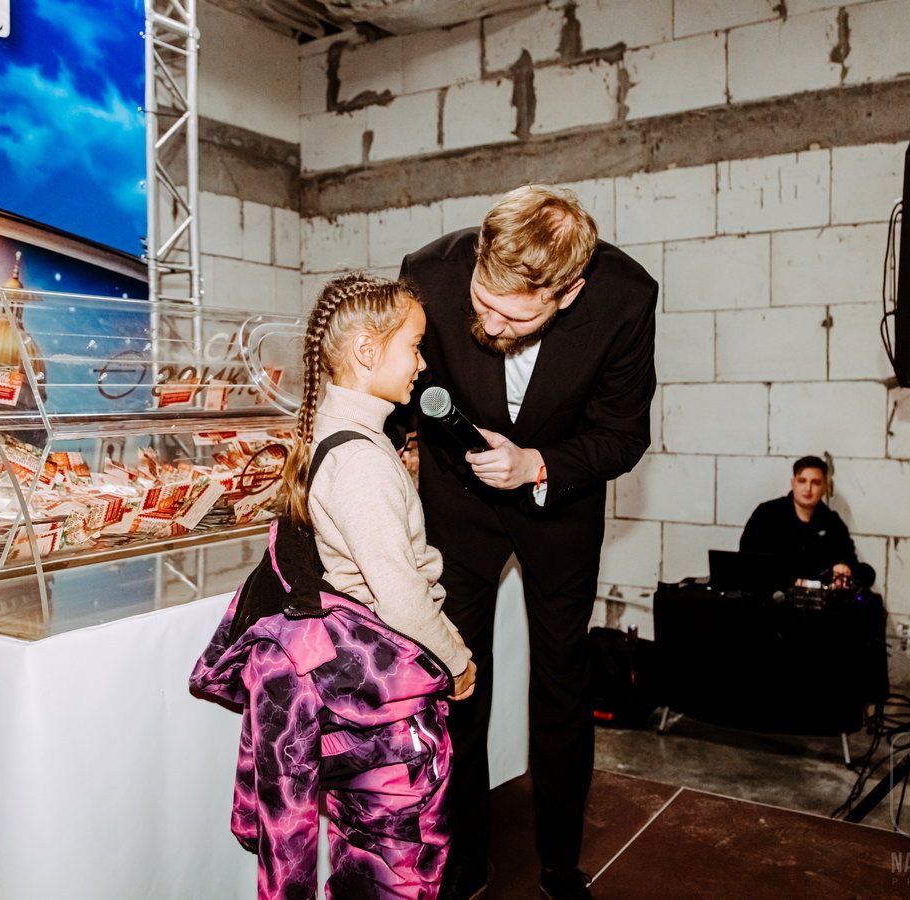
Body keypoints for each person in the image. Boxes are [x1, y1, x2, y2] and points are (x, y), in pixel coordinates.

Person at [395, 185, 657, 900]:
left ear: (568, 293)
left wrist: (537, 464)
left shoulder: (626, 298)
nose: (489, 324)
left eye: (513, 316)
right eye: (483, 301)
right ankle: (464, 860)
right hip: (458, 497)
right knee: (456, 677)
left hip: (558, 503)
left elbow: (623, 434)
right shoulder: (428, 271)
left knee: (562, 683)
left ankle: (559, 863)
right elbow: (400, 386)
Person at [191, 274, 475, 899]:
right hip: (384, 702)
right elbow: (400, 595)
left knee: (360, 858)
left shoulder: (341, 435)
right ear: (368, 351)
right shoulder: (361, 460)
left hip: (353, 698)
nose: (423, 364)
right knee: (397, 866)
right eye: (414, 347)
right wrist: (456, 661)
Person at [739, 455, 860, 587]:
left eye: (815, 482)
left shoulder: (832, 522)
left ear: (825, 487)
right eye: (802, 481)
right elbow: (747, 561)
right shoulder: (766, 514)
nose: (808, 488)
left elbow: (849, 559)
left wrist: (843, 566)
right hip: (768, 594)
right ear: (793, 483)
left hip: (818, 597)